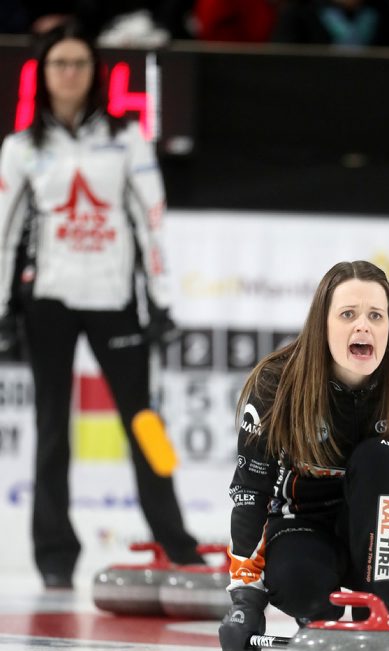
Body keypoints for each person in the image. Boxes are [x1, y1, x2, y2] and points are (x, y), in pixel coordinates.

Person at [0, 20, 202, 589]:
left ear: (95, 73)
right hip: (49, 301)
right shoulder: (21, 148)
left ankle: (177, 542)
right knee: (50, 428)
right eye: (59, 63)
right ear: (42, 74)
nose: (70, 74)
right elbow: (4, 232)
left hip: (115, 300)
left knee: (144, 421)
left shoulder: (128, 138)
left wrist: (160, 302)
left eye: (80, 64)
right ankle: (55, 557)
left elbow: (151, 222)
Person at [219, 260, 389, 651]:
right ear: (322, 325)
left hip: (382, 524)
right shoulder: (276, 386)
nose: (363, 326)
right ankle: (316, 611)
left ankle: (378, 614)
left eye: (375, 316)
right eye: (348, 314)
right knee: (300, 586)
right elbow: (251, 494)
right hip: (303, 524)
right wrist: (246, 601)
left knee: (377, 458)